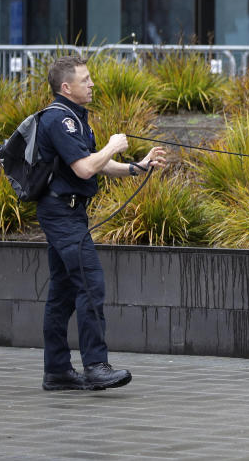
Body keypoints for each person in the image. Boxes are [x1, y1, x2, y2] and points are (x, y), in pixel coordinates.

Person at [37, 55, 167, 391]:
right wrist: (111, 145)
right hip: (63, 214)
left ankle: (57, 372)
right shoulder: (59, 121)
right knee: (90, 285)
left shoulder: (76, 120)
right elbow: (84, 169)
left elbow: (96, 165)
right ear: (66, 87)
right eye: (85, 79)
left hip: (68, 212)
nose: (92, 84)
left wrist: (138, 166)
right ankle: (95, 365)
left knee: (63, 292)